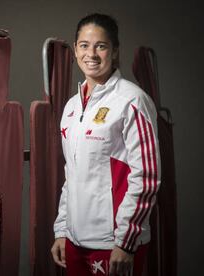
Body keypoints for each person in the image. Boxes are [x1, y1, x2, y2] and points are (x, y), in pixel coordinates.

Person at [51, 13, 161, 276]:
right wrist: (62, 230)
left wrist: (126, 242)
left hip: (113, 243)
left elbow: (147, 177)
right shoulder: (71, 106)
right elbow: (72, 175)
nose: (92, 53)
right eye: (84, 45)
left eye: (101, 46)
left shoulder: (132, 100)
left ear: (114, 51)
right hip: (75, 241)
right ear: (76, 49)